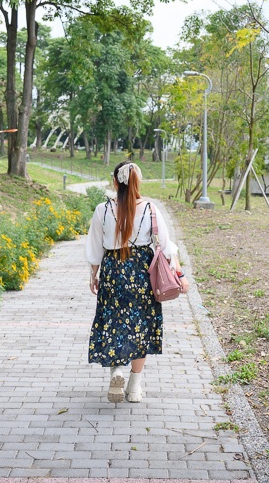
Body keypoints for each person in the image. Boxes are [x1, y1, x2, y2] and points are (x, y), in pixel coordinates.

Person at [85, 159, 189, 403]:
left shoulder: (103, 209)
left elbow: (94, 246)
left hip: (113, 273)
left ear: (114, 181)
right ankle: (134, 387)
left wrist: (94, 274)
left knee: (113, 324)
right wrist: (180, 275)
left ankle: (117, 372)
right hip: (143, 273)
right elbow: (165, 247)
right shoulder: (152, 208)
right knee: (140, 328)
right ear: (138, 181)